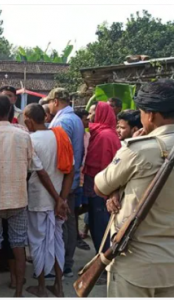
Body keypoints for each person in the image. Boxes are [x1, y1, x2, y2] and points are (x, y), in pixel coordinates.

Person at [95, 79, 174, 297]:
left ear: (151, 115)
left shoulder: (139, 149)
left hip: (136, 263)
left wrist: (124, 153)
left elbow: (100, 185)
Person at [0, 95, 44, 297]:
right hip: (17, 197)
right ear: (10, 111)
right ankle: (18, 292)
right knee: (18, 244)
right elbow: (34, 166)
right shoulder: (23, 135)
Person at [23, 103, 74, 297]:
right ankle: (58, 286)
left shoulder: (30, 139)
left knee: (38, 243)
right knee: (56, 242)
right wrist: (63, 199)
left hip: (39, 199)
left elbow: (40, 174)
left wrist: (58, 199)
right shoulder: (61, 136)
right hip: (59, 200)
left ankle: (42, 286)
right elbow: (70, 171)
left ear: (28, 120)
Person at [46, 88, 84, 278]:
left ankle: (62, 264)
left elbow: (61, 157)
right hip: (72, 178)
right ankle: (65, 262)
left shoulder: (62, 122)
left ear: (55, 101)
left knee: (61, 223)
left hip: (64, 181)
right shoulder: (75, 119)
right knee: (68, 221)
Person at [83, 102, 121, 284]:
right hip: (100, 186)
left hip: (101, 188)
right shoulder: (103, 132)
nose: (90, 117)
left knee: (100, 227)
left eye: (93, 113)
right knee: (99, 225)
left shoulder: (104, 136)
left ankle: (103, 269)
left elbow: (101, 166)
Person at [73, 109, 91, 251]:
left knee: (84, 206)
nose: (88, 121)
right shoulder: (76, 135)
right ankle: (76, 237)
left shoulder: (88, 135)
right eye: (85, 119)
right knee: (75, 208)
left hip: (85, 177)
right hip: (76, 177)